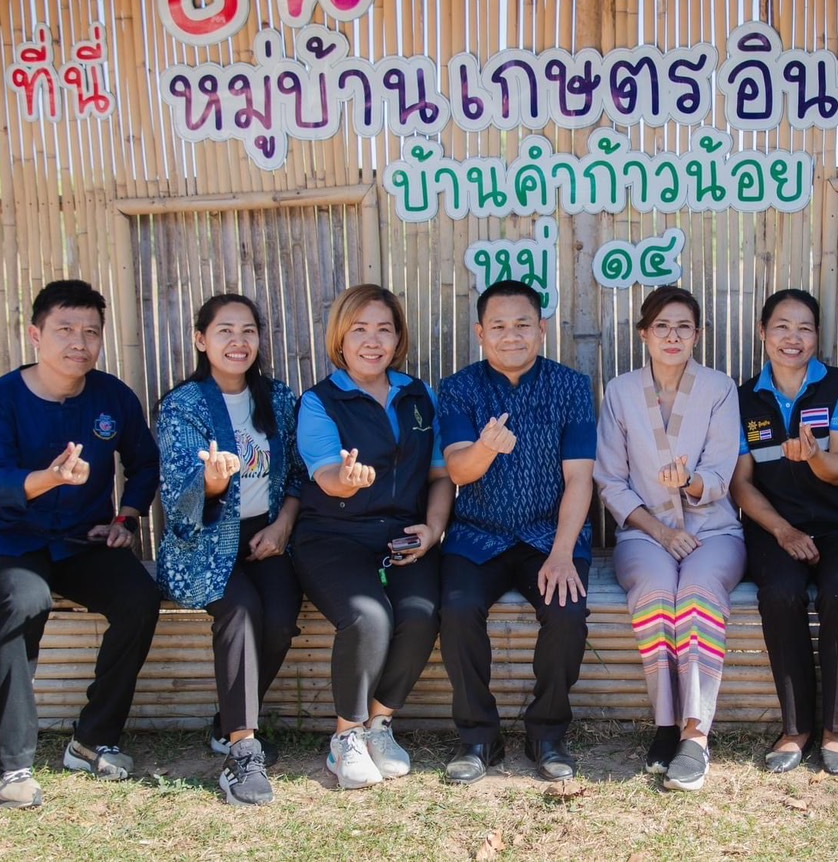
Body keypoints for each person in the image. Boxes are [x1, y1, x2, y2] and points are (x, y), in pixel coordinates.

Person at [0, 280, 161, 809]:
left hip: (80, 538)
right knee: (27, 601)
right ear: (35, 335)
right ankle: (8, 766)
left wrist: (126, 517)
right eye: (65, 329)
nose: (79, 342)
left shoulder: (113, 396)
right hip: (8, 537)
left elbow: (144, 464)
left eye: (90, 332)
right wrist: (50, 478)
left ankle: (92, 740)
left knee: (139, 599)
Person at [291, 285, 452, 789]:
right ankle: (346, 737)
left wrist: (433, 529)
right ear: (340, 338)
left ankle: (379, 723)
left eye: (384, 329)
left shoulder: (419, 395)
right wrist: (346, 479)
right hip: (332, 535)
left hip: (403, 536)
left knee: (422, 614)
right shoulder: (319, 401)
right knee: (368, 617)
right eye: (359, 329)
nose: (372, 340)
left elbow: (440, 474)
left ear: (398, 338)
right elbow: (325, 474)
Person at [437, 280, 596, 783]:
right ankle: (478, 736)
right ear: (481, 333)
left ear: (541, 329)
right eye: (499, 326)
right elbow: (458, 471)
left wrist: (563, 552)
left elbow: (580, 478)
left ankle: (546, 732)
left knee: (567, 612)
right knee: (456, 610)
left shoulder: (571, 387)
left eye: (523, 324)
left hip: (549, 535)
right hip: (477, 534)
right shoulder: (459, 388)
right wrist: (486, 448)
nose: (512, 336)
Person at [156, 294, 305, 806]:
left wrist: (283, 524)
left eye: (248, 331)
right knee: (239, 611)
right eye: (224, 331)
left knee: (280, 617)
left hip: (267, 535)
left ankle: (228, 721)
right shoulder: (183, 405)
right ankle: (243, 752)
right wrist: (214, 483)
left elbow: (299, 475)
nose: (238, 342)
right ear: (202, 340)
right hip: (206, 541)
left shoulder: (278, 398)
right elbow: (177, 494)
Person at [594, 286, 744, 791]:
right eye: (661, 326)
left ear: (698, 334)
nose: (672, 336)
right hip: (644, 533)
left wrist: (690, 483)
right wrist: (660, 530)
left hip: (713, 530)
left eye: (683, 327)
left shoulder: (719, 388)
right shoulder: (620, 392)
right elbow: (610, 479)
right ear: (644, 334)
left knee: (697, 593)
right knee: (658, 591)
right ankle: (665, 722)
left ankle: (695, 735)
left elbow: (721, 471)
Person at [730, 289, 838, 777]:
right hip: (775, 529)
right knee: (780, 593)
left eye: (805, 328)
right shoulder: (743, 398)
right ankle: (795, 728)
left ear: (817, 336)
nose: (793, 338)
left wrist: (813, 455)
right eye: (782, 327)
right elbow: (742, 485)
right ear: (763, 332)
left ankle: (836, 728)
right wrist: (782, 530)